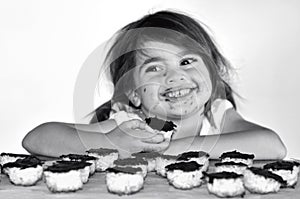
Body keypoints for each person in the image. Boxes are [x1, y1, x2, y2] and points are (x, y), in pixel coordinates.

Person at [22, 10, 287, 159]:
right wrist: (118, 143)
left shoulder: (215, 115)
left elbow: (272, 146)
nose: (174, 77)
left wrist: (170, 149)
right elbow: (37, 138)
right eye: (155, 68)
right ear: (134, 94)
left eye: (186, 62)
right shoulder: (132, 122)